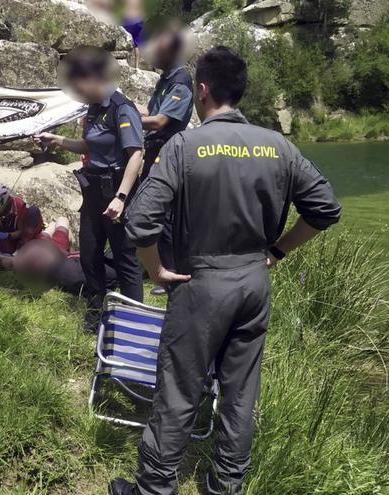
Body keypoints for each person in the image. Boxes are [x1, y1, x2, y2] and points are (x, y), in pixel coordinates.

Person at [110, 46, 342, 495]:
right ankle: (226, 486)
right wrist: (277, 250)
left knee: (179, 388)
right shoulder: (279, 145)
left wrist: (156, 271)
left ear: (201, 91)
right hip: (254, 283)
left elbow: (140, 222)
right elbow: (325, 210)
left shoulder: (184, 145)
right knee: (240, 394)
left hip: (200, 284)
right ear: (241, 91)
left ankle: (154, 488)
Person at [35, 47, 145, 329]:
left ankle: (133, 320)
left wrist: (121, 197)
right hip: (93, 189)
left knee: (124, 258)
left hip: (116, 191)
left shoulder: (122, 108)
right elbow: (90, 145)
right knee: (89, 252)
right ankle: (96, 311)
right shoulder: (94, 110)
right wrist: (57, 140)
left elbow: (136, 154)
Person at [136, 26, 194, 296]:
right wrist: (119, 104)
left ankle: (172, 271)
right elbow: (149, 111)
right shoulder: (165, 80)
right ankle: (154, 266)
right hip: (155, 151)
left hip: (167, 154)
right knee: (152, 209)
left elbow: (160, 121)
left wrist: (126, 120)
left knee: (166, 214)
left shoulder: (180, 81)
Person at [0, 212, 118, 295]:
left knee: (58, 226)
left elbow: (5, 260)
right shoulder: (43, 241)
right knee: (60, 224)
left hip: (56, 255)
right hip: (58, 254)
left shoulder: (34, 247)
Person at [0, 182, 39, 254]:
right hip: (0, 232)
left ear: (4, 204)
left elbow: (21, 232)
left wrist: (7, 236)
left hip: (15, 238)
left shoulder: (18, 207)